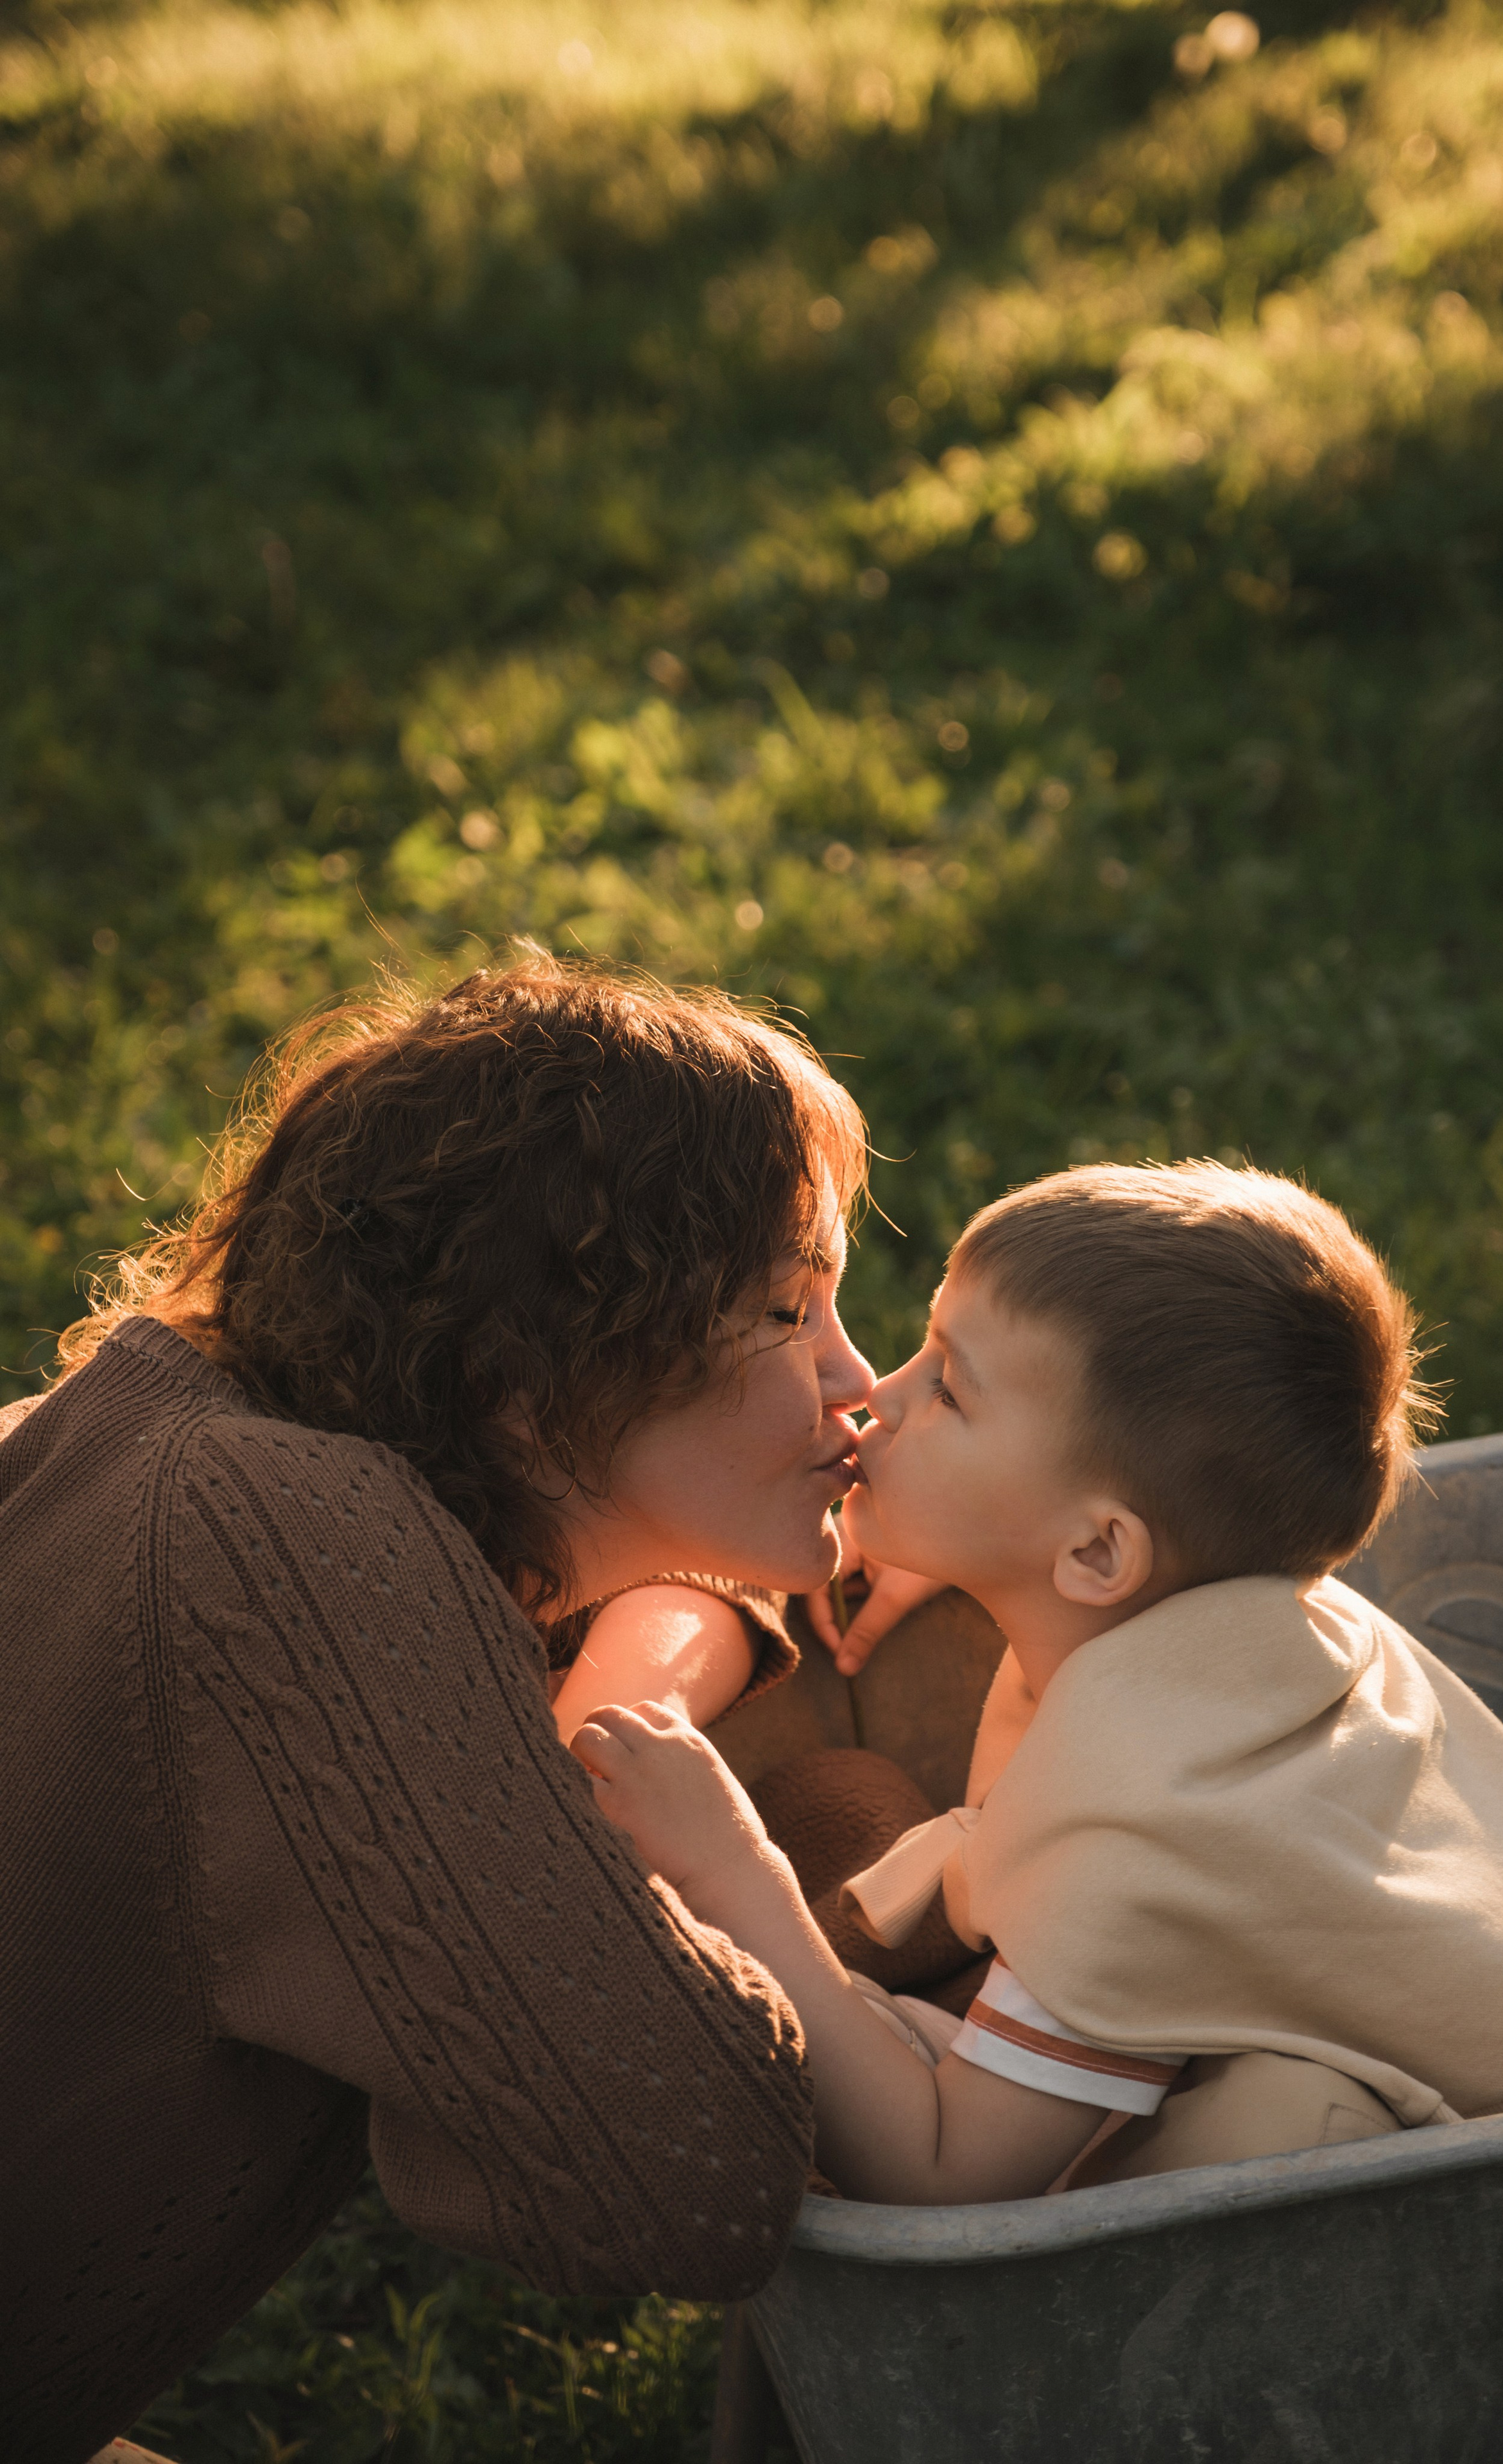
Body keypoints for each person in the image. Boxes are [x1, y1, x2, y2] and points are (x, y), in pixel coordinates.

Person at [0, 957, 878, 2464]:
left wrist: (643, 1678)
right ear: (533, 1373)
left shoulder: (167, 1437)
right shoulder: (294, 1548)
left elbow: (604, 1600)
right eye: (790, 1310)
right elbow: (695, 2165)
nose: (854, 1381)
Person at [575, 1161, 1503, 2205]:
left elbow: (940, 2170)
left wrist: (736, 1876)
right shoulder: (1272, 1618)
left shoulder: (1138, 1836)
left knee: (1278, 2120)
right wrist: (957, 1544)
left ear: (1094, 1558)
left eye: (948, 1387)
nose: (879, 1397)